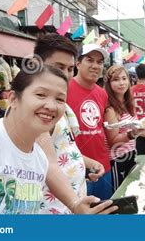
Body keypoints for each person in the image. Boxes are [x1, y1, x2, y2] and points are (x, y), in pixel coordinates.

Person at [0, 65, 113, 214]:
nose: (51, 106)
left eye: (60, 99)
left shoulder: (39, 160)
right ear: (13, 99)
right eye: (40, 95)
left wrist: (76, 207)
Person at [33, 34, 108, 214]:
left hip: (70, 203)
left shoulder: (59, 103)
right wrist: (74, 203)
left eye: (69, 68)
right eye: (58, 67)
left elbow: (63, 148)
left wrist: (90, 162)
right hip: (51, 207)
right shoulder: (36, 105)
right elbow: (48, 163)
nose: (65, 75)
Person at [103, 65, 145, 191]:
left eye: (124, 78)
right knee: (121, 195)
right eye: (116, 79)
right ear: (109, 83)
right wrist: (132, 134)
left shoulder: (128, 104)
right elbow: (113, 140)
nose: (121, 83)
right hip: (118, 160)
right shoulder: (110, 109)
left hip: (131, 154)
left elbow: (138, 130)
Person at [67, 44, 113, 200]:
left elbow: (100, 128)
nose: (95, 66)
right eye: (90, 60)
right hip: (75, 170)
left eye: (99, 62)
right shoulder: (63, 89)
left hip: (103, 168)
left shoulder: (102, 94)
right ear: (77, 63)